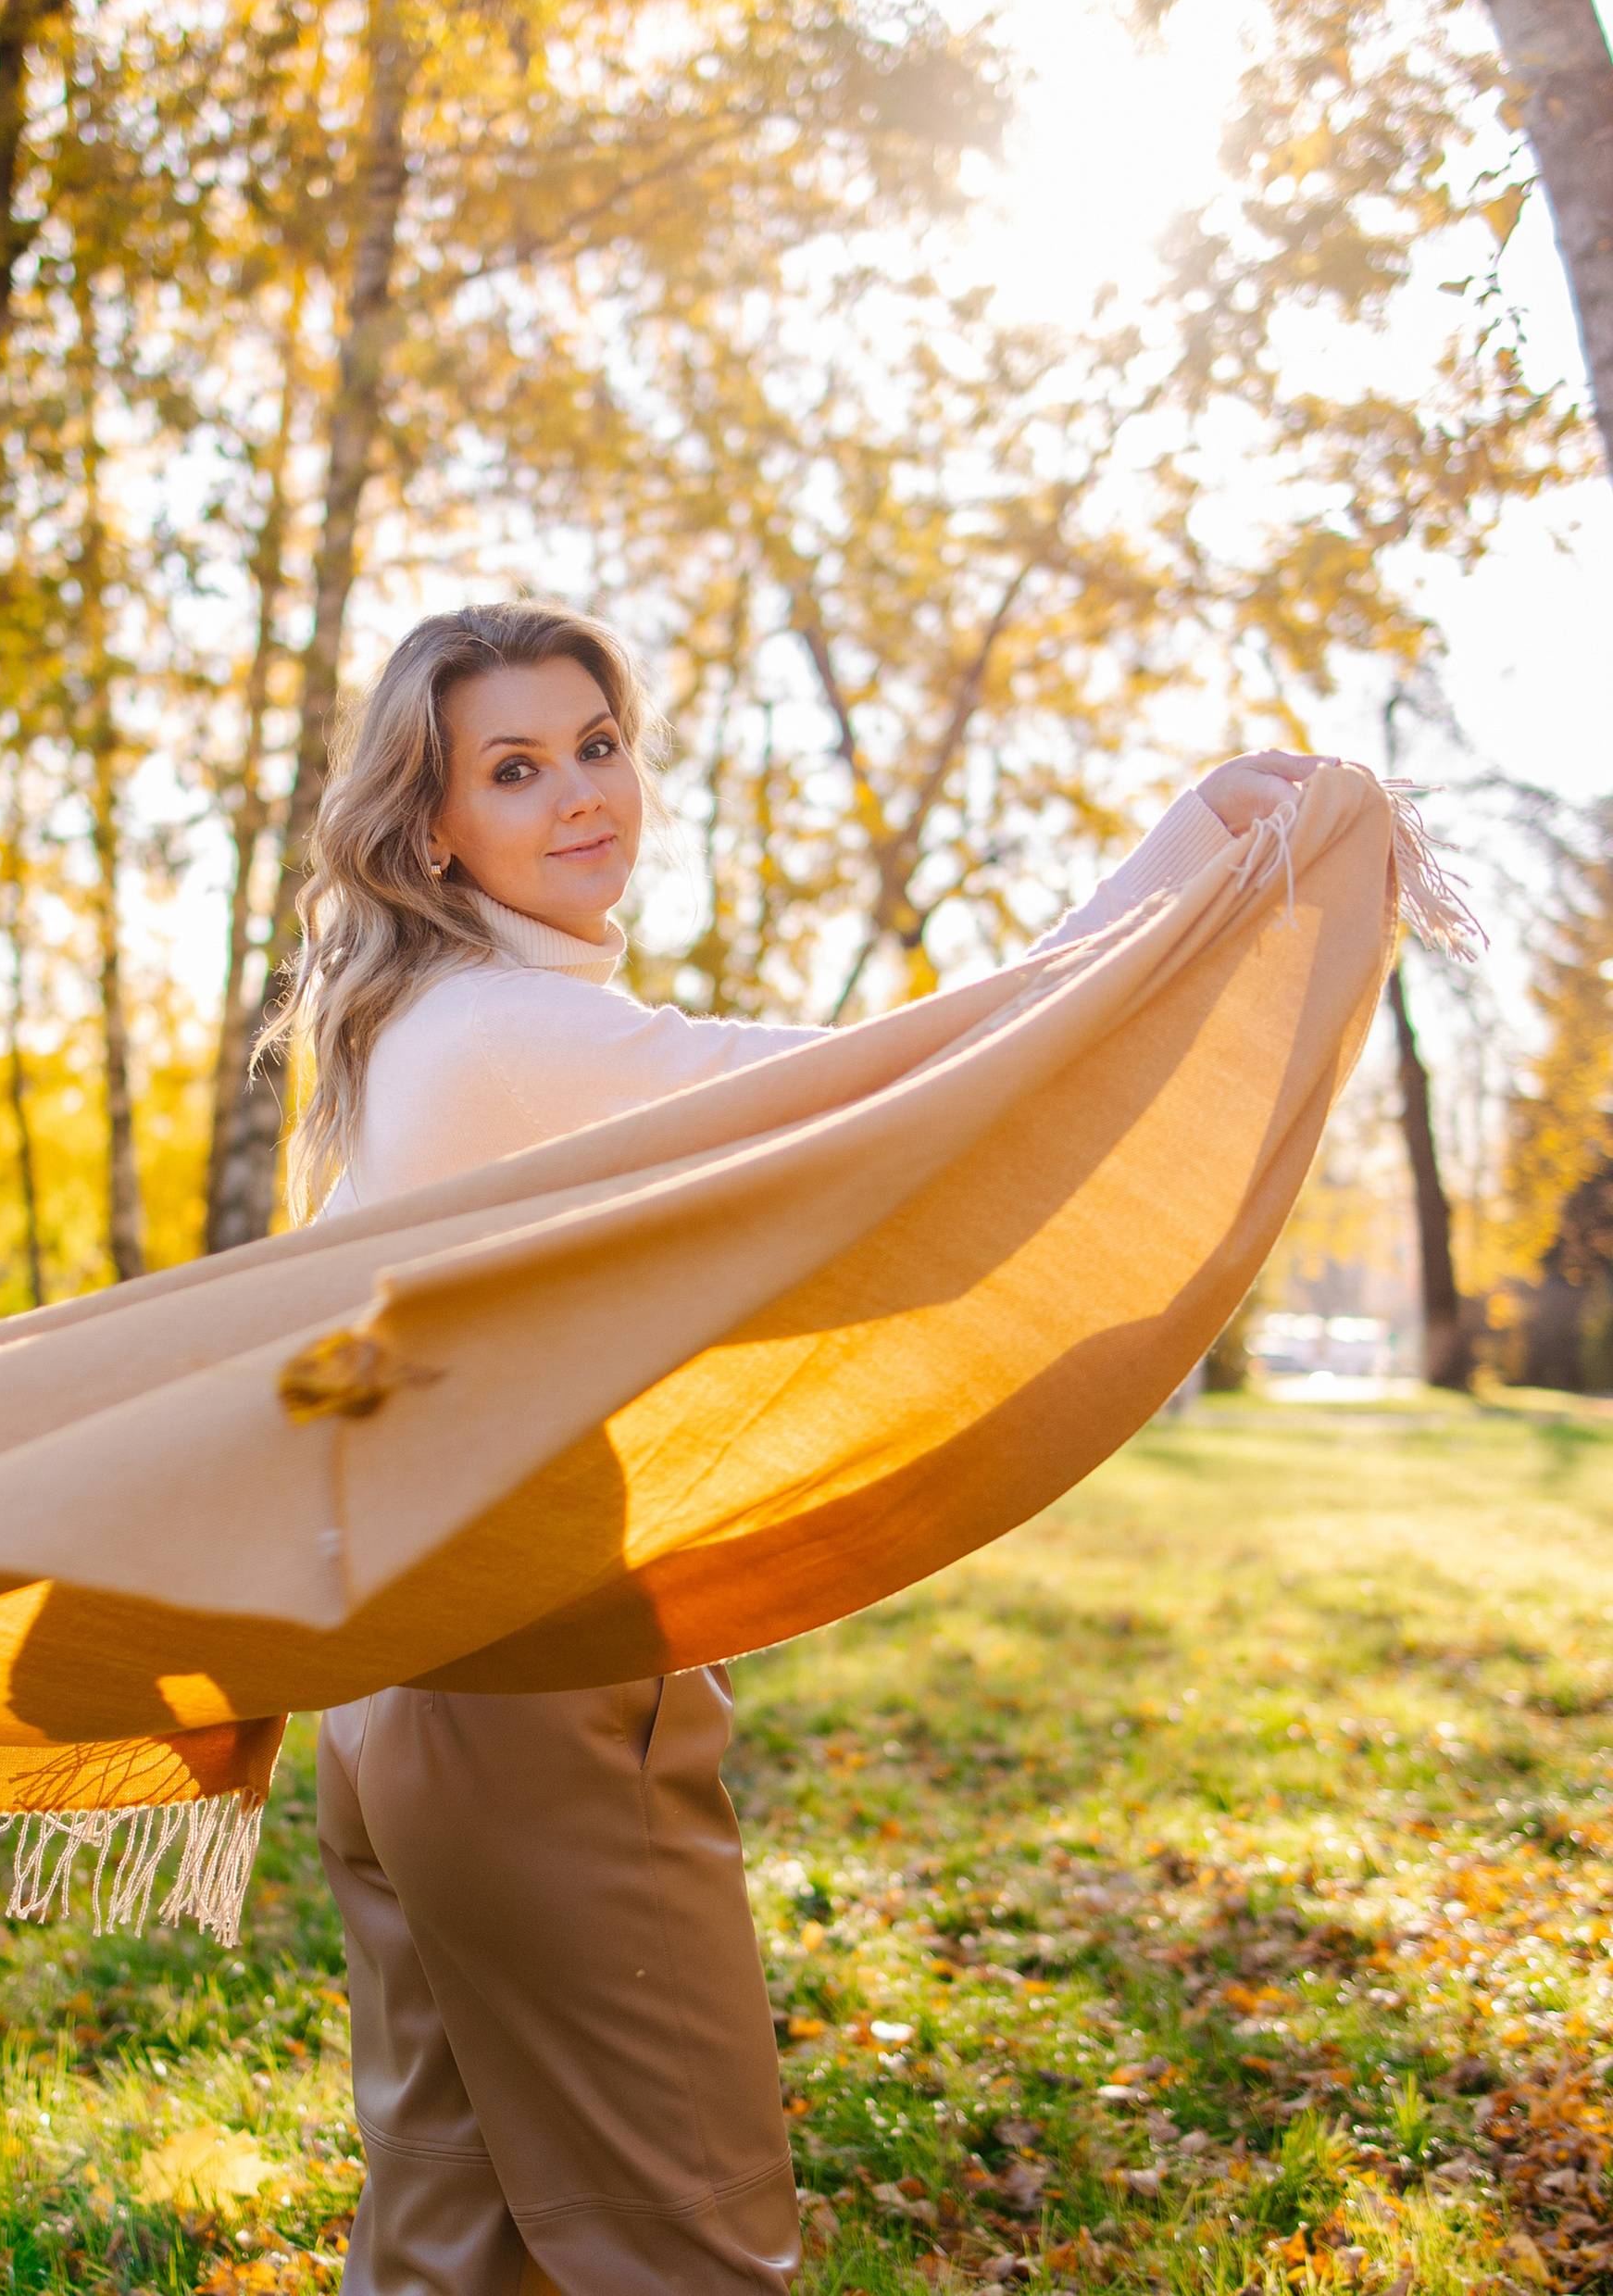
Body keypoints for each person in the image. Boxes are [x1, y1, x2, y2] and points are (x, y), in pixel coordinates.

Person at [266, 600, 1330, 2296]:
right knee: (686, 2224)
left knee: (454, 2229)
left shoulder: (435, 1024)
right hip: (524, 1683)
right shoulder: (508, 1038)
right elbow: (891, 1087)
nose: (579, 797)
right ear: (429, 824)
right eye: (516, 769)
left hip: (411, 1685)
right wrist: (1175, 878)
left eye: (598, 747)